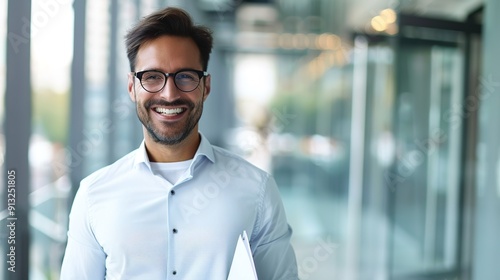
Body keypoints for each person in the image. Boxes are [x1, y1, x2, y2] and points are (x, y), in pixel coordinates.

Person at [60, 6, 298, 279]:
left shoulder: (257, 189)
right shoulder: (93, 195)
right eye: (152, 77)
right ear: (131, 87)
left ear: (205, 87)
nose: (169, 94)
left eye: (185, 76)